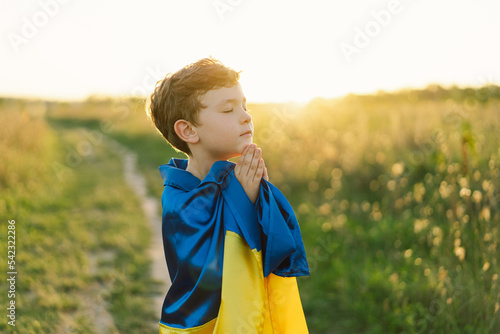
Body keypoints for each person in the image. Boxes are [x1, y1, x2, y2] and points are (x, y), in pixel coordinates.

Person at [147, 57, 309, 333]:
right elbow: (207, 272)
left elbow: (276, 248)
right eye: (228, 110)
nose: (246, 116)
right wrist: (242, 202)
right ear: (188, 130)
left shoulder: (236, 179)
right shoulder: (178, 199)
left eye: (244, 106)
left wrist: (261, 201)